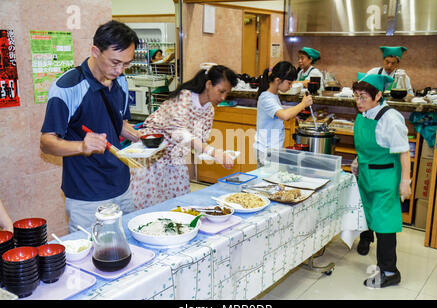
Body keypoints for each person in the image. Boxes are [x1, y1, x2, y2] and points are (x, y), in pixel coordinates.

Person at [40, 20, 141, 233]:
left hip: (121, 184)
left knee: (127, 246)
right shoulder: (67, 87)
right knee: (91, 255)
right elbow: (47, 142)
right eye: (115, 62)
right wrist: (81, 147)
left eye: (126, 64)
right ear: (95, 51)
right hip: (86, 193)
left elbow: (119, 124)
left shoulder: (121, 82)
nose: (120, 70)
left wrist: (135, 135)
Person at [132, 65, 238, 209]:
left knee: (179, 201)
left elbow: (198, 141)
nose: (223, 97)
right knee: (150, 203)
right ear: (208, 85)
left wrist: (217, 155)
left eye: (227, 93)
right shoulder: (184, 98)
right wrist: (213, 152)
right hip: (153, 153)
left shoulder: (209, 110)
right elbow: (180, 133)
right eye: (221, 91)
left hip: (176, 157)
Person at [351, 72, 412, 288]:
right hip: (367, 174)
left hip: (385, 177)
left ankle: (389, 271)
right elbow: (366, 144)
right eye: (356, 96)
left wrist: (406, 181)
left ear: (378, 96)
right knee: (371, 217)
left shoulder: (390, 118)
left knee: (385, 224)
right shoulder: (363, 113)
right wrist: (358, 161)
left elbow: (404, 152)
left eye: (363, 97)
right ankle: (371, 248)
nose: (359, 102)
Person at [254, 61, 313, 167]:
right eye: (289, 83)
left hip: (272, 148)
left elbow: (277, 114)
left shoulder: (273, 95)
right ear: (277, 80)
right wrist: (303, 104)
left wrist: (295, 114)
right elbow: (284, 115)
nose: (290, 86)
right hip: (266, 149)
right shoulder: (266, 97)